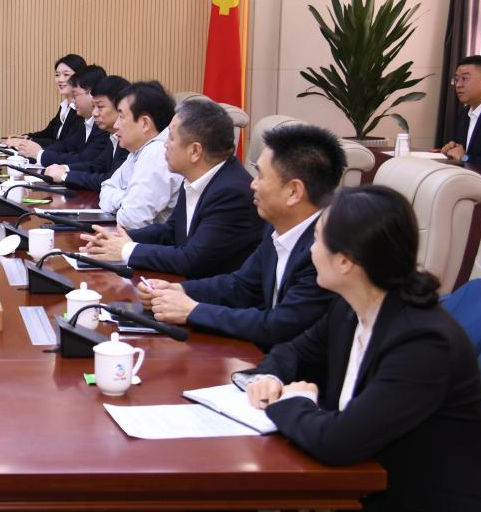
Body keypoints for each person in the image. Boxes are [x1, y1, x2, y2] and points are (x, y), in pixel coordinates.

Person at [240, 185, 481, 512]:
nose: (310, 249)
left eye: (318, 240)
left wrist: (293, 404)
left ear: (346, 261)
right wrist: (270, 376)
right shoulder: (352, 308)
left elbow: (337, 442)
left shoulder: (422, 342)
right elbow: (293, 350)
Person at [137, 122, 344, 350]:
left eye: (261, 176)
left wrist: (192, 311)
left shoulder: (325, 251)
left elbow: (280, 326)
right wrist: (178, 290)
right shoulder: (276, 228)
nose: (252, 184)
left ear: (294, 191)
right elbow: (241, 286)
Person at [81, 98, 262, 278]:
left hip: (211, 290)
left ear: (195, 151)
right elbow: (171, 231)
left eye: (171, 137)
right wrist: (121, 239)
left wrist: (127, 250)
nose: (165, 144)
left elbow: (192, 260)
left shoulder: (231, 193)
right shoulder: (196, 175)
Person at [96, 81, 182, 229]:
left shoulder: (158, 152)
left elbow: (131, 220)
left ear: (145, 123)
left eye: (121, 117)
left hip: (153, 241)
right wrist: (126, 199)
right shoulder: (141, 149)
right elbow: (106, 187)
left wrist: (125, 201)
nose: (116, 125)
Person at [7, 67, 111, 170]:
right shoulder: (86, 121)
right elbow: (66, 145)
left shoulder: (104, 126)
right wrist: (31, 151)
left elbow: (85, 159)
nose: (73, 101)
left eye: (75, 95)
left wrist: (40, 154)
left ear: (92, 94)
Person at [43, 75, 132, 191]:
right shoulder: (114, 136)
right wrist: (64, 169)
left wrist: (65, 176)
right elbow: (96, 166)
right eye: (94, 107)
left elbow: (109, 181)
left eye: (100, 107)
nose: (94, 113)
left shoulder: (129, 140)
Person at [11, 54, 89, 149]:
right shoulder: (65, 106)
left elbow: (66, 144)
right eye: (57, 75)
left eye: (66, 75)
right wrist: (26, 137)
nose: (60, 80)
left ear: (80, 77)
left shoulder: (82, 110)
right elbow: (48, 133)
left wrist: (25, 142)